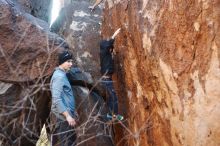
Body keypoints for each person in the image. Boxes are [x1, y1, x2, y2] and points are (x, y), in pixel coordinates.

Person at [50, 50, 77, 146]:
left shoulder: (62, 75)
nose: (71, 64)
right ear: (62, 62)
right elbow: (56, 99)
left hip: (66, 118)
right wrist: (68, 116)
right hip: (63, 119)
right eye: (68, 61)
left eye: (71, 61)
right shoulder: (59, 77)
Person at [99, 28, 124, 121]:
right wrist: (114, 35)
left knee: (110, 97)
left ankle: (110, 114)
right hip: (106, 79)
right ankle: (115, 115)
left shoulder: (106, 54)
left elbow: (110, 47)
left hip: (107, 79)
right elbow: (108, 45)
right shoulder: (103, 52)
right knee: (114, 97)